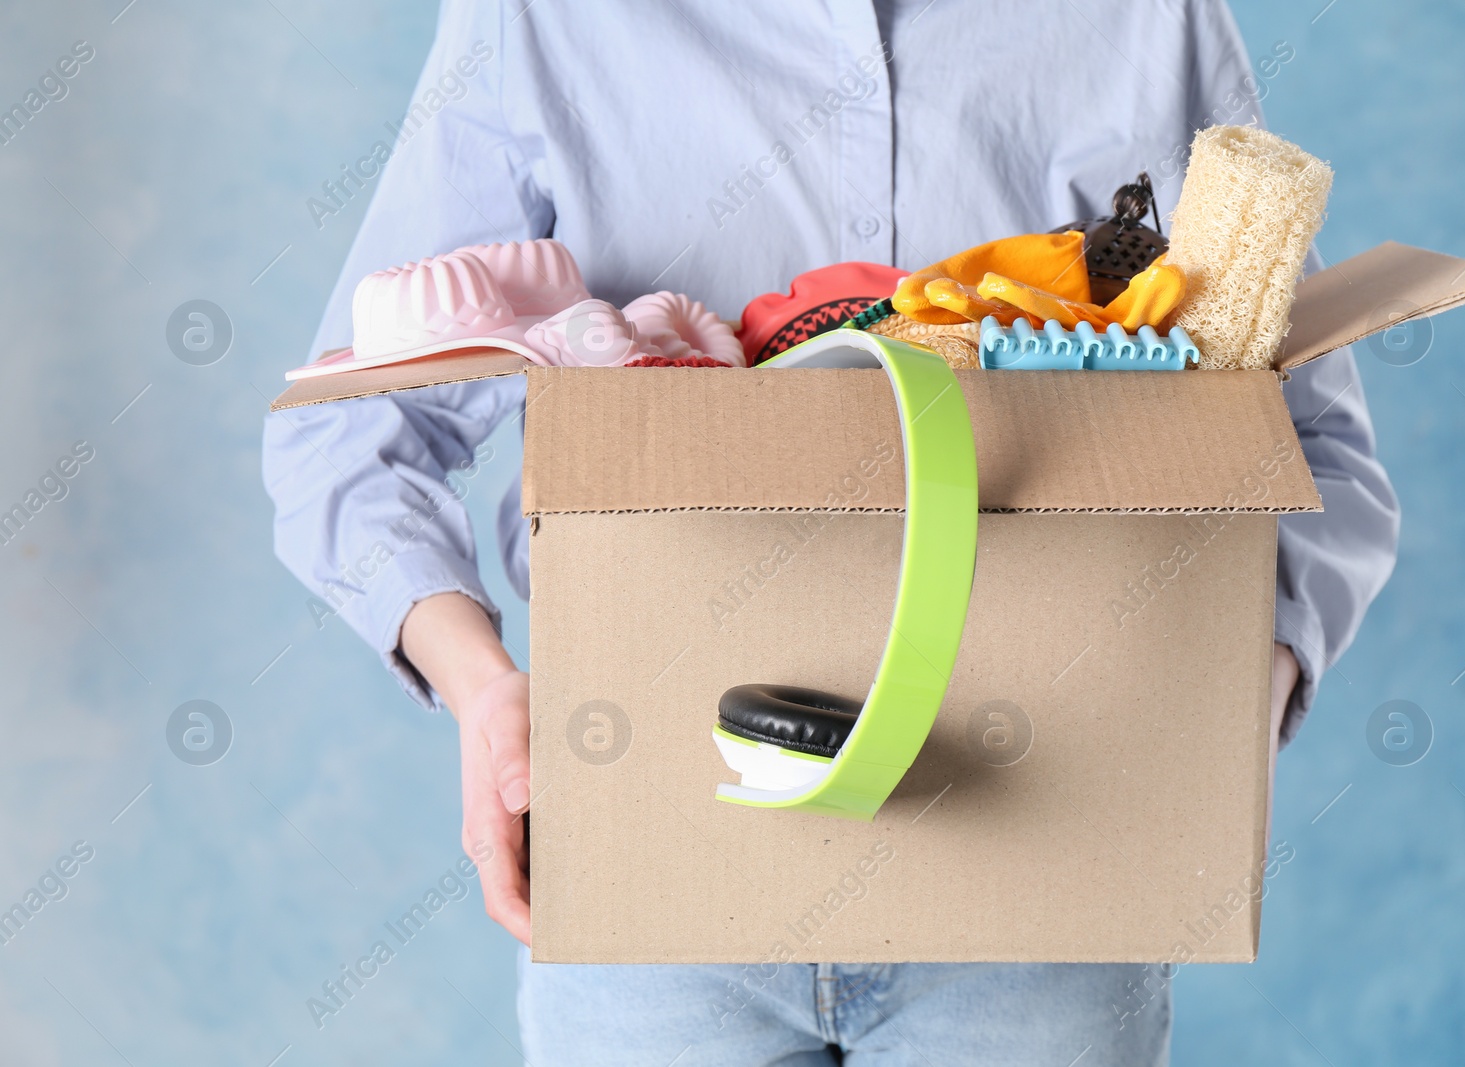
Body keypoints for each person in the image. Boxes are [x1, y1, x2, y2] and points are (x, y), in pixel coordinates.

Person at [263, 1, 1399, 1062]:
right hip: (654, 878)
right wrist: (482, 693)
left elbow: (1316, 450)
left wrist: (1235, 693)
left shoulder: (1145, 18)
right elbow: (350, 433)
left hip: (1044, 886)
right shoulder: (547, 18)